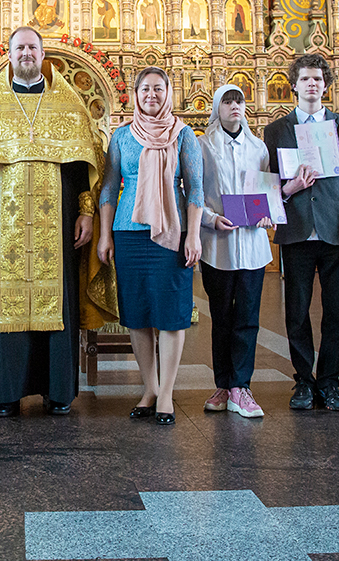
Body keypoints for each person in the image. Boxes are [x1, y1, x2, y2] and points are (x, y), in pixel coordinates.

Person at [0, 27, 110, 416]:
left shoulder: (68, 105)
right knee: (4, 303)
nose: (26, 53)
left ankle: (57, 391)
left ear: (43, 55)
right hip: (2, 224)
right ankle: (6, 391)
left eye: (32, 47)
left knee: (58, 302)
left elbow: (81, 168)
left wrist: (86, 212)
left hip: (59, 224)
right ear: (9, 56)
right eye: (19, 47)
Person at [99, 67, 203, 425]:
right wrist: (105, 234)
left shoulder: (183, 134)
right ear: (136, 94)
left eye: (159, 89)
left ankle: (167, 393)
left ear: (168, 93)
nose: (152, 95)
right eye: (145, 89)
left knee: (171, 315)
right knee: (138, 315)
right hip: (128, 233)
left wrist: (193, 235)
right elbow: (109, 188)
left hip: (171, 234)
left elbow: (195, 189)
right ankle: (150, 388)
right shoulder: (122, 136)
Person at [262, 54, 339, 412]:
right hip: (298, 231)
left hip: (335, 232)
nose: (312, 84)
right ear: (294, 85)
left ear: (326, 84)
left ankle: (330, 381)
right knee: (296, 312)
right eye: (305, 79)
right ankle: (304, 380)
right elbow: (269, 183)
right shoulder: (276, 130)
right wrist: (289, 189)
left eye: (318, 79)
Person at [197, 85, 271, 419]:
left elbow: (266, 189)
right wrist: (210, 219)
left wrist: (268, 212)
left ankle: (241, 386)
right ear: (218, 108)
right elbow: (192, 191)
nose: (234, 106)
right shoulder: (203, 145)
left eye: (239, 101)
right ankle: (223, 385)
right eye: (227, 102)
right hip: (218, 245)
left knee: (248, 318)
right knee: (222, 317)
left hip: (253, 246)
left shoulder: (258, 147)